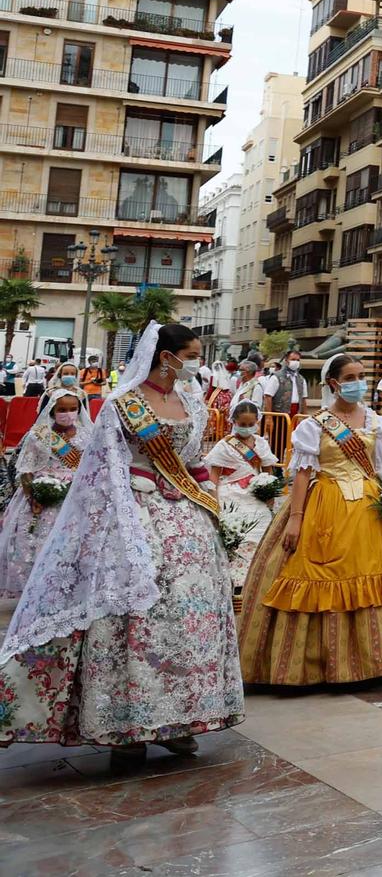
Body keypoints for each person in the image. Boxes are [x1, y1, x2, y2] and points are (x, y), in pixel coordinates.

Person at [0, 322, 244, 759]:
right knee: (135, 619)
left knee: (192, 618)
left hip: (187, 521)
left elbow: (194, 462)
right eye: (190, 355)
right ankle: (127, 724)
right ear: (166, 357)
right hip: (134, 516)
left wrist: (210, 496)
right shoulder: (122, 404)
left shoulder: (192, 402)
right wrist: (124, 512)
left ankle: (180, 719)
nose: (195, 363)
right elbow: (101, 467)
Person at [238, 353, 382, 685]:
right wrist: (296, 518)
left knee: (375, 575)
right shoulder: (314, 425)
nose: (358, 382)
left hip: (370, 511)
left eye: (361, 375)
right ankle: (320, 661)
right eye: (351, 377)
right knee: (320, 575)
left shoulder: (376, 422)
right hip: (326, 505)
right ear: (334, 384)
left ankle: (377, 658)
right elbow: (302, 474)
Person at [0, 389, 87, 598]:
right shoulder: (38, 434)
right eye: (62, 410)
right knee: (34, 541)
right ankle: (37, 590)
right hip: (43, 491)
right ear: (52, 411)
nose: (68, 414)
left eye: (73, 409)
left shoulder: (87, 435)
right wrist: (32, 495)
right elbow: (26, 469)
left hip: (75, 493)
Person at [204, 400, 282, 589]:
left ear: (257, 422)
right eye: (242, 425)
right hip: (231, 492)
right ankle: (235, 579)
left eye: (250, 424)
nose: (247, 428)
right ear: (234, 422)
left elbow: (268, 471)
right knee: (235, 532)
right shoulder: (224, 445)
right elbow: (214, 475)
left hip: (256, 493)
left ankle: (257, 575)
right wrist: (213, 500)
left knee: (261, 530)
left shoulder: (261, 444)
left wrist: (270, 492)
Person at [263, 351, 308, 416]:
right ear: (286, 361)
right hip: (279, 415)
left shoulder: (301, 379)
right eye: (293, 359)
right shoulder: (276, 377)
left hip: (296, 414)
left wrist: (305, 416)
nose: (295, 362)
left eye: (298, 360)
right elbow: (268, 396)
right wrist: (268, 417)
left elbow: (303, 399)